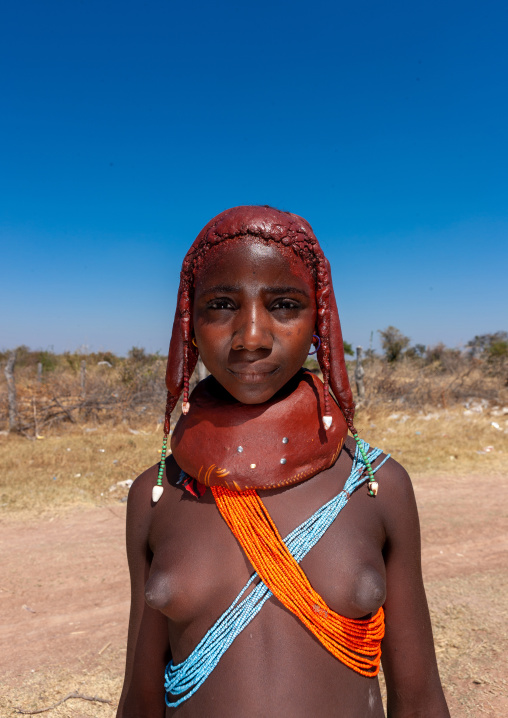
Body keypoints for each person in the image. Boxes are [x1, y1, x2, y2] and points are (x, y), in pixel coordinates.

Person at [117, 206, 449, 717]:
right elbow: (139, 702)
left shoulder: (376, 485)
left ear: (320, 321)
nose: (251, 336)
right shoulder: (157, 495)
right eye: (222, 304)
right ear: (189, 325)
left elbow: (420, 699)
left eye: (285, 305)